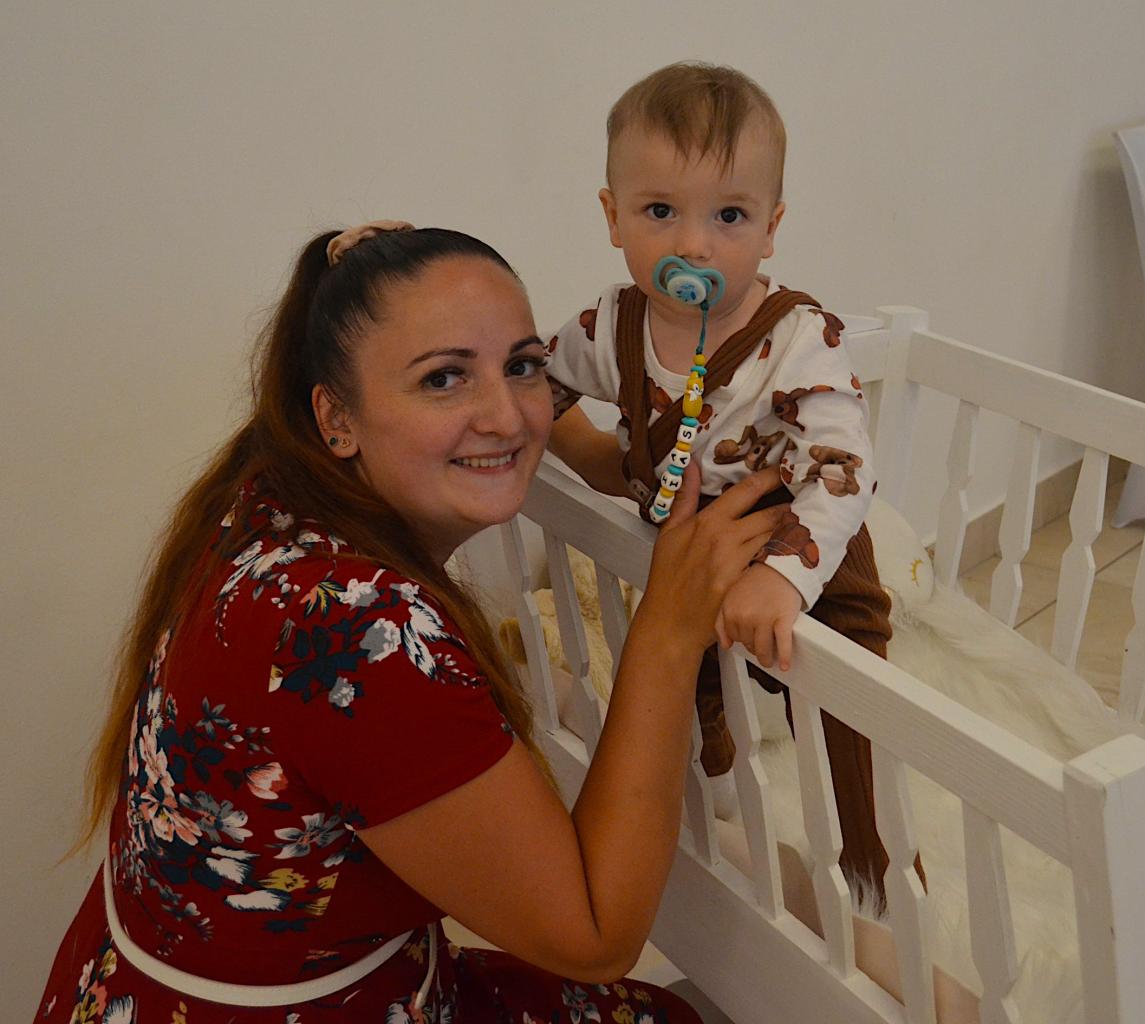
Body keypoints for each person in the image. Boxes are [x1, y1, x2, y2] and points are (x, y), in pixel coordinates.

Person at [35, 222, 789, 1023]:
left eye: (522, 367)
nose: (506, 417)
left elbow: (458, 380)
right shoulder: (356, 629)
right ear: (336, 418)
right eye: (443, 379)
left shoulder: (265, 494)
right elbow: (594, 937)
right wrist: (666, 632)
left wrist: (606, 455)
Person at [544, 62, 908, 904]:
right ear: (612, 215)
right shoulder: (609, 325)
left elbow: (844, 470)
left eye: (729, 216)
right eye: (659, 211)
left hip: (803, 538)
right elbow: (530, 383)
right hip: (688, 545)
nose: (694, 245)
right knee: (684, 669)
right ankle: (713, 794)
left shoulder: (798, 337)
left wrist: (782, 577)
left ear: (770, 228)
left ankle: (877, 871)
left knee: (845, 701)